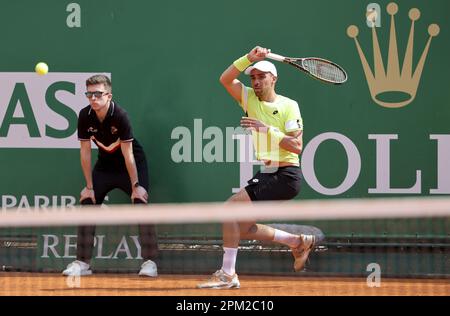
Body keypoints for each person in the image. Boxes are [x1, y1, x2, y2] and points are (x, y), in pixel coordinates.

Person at [197, 46, 316, 289]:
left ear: (274, 79)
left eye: (262, 76)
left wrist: (265, 128)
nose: (256, 81)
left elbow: (296, 146)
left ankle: (228, 274)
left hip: (285, 174)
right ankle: (297, 242)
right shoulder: (248, 97)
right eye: (253, 77)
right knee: (241, 227)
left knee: (229, 211)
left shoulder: (289, 106)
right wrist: (248, 59)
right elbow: (225, 79)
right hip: (269, 172)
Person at [62, 75, 158, 277]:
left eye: (98, 94)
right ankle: (82, 262)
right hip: (105, 166)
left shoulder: (120, 116)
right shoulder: (84, 115)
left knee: (141, 203)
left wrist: (136, 185)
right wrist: (89, 187)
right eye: (89, 94)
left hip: (131, 164)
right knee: (88, 202)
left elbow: (128, 154)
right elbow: (85, 152)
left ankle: (150, 262)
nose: (93, 98)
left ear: (109, 95)